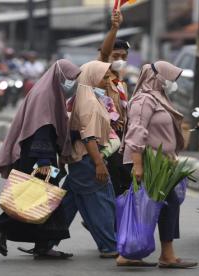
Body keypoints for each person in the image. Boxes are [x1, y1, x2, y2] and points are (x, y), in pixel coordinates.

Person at [0, 59, 81, 259]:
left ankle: (41, 245)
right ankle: (3, 227)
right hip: (39, 158)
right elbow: (42, 128)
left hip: (40, 157)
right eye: (71, 79)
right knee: (37, 197)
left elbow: (55, 126)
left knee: (42, 198)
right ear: (61, 76)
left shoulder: (52, 92)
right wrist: (45, 163)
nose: (72, 83)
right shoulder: (45, 95)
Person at [118, 61, 198, 268]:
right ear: (156, 78)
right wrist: (138, 166)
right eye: (169, 78)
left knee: (166, 208)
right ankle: (135, 253)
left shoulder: (159, 98)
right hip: (147, 163)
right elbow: (136, 133)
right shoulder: (144, 100)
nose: (172, 83)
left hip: (162, 164)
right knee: (148, 208)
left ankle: (162, 254)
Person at [58, 61, 119, 259]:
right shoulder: (89, 102)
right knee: (100, 203)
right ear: (92, 76)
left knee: (67, 204)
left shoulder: (88, 96)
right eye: (104, 76)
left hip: (81, 160)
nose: (108, 79)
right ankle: (109, 246)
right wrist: (99, 163)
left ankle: (45, 241)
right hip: (88, 160)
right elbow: (88, 136)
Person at [98, 10, 132, 196]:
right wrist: (114, 28)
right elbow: (104, 54)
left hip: (120, 139)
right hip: (103, 136)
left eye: (123, 57)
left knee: (120, 181)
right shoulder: (101, 75)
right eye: (116, 56)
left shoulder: (122, 84)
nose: (120, 60)